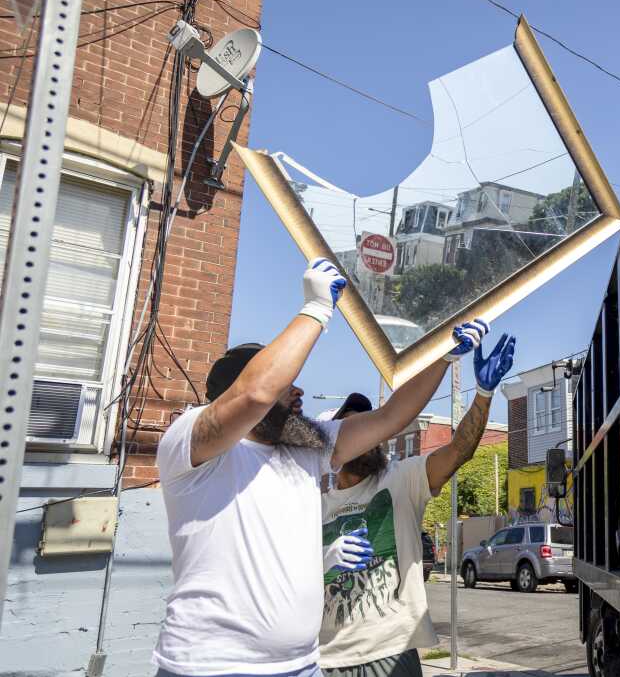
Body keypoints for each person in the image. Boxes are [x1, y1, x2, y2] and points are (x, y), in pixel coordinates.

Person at [152, 257, 490, 677]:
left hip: (302, 666)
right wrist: (315, 310)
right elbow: (257, 393)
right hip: (213, 667)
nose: (299, 390)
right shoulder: (190, 443)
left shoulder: (304, 446)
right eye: (287, 381)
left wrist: (443, 357)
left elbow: (391, 418)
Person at [319, 334, 517, 677]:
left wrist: (483, 394)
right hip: (326, 660)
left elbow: (458, 451)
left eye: (372, 427)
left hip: (392, 654)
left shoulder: (402, 479)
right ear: (333, 444)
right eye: (354, 429)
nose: (368, 437)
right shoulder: (311, 505)